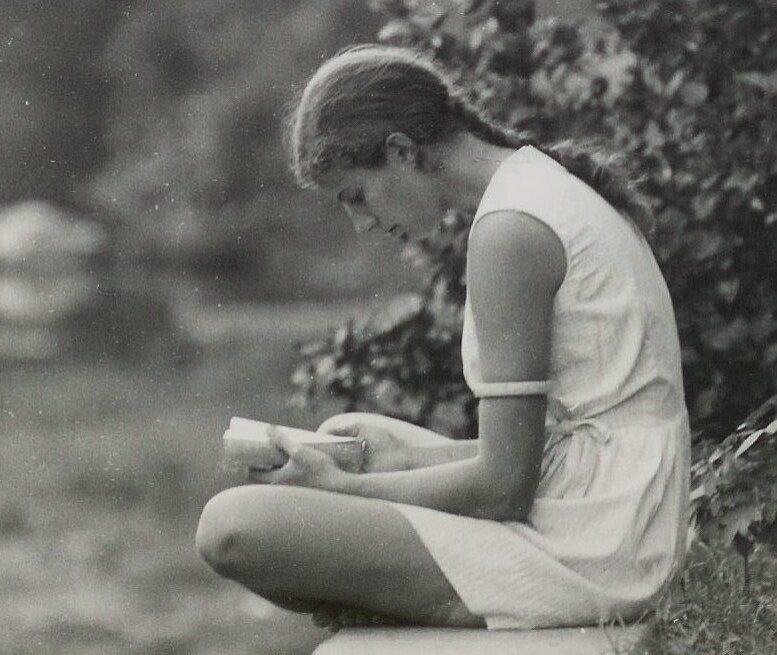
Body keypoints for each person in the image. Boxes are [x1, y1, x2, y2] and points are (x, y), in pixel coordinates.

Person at [195, 44, 691, 631]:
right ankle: (406, 590)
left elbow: (504, 488)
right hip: (609, 502)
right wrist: (396, 460)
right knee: (354, 439)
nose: (363, 223)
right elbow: (560, 443)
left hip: (605, 544)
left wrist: (344, 491)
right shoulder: (531, 188)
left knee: (229, 527)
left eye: (357, 196)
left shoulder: (512, 231)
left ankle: (426, 602)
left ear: (402, 151)